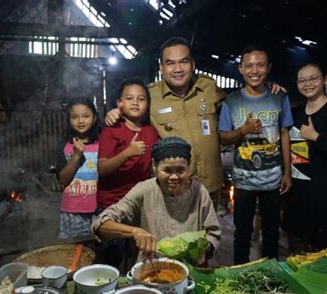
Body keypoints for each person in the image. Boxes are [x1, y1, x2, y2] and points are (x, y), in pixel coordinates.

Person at [105, 37, 286, 210]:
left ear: (193, 64)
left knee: (208, 238)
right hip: (174, 187)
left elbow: (239, 100)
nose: (178, 69)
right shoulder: (151, 96)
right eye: (170, 63)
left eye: (183, 62)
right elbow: (132, 111)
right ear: (161, 67)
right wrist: (117, 112)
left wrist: (264, 86)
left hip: (210, 185)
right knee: (177, 239)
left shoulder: (208, 87)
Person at [91, 137, 221, 266]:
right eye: (167, 170)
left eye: (181, 170)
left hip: (190, 267)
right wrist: (135, 232)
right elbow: (101, 223)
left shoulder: (199, 191)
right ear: (154, 166)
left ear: (189, 165)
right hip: (151, 266)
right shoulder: (144, 190)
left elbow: (213, 233)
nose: (174, 177)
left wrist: (203, 248)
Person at [218, 43, 293, 264]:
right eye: (249, 65)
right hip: (243, 180)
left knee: (272, 231)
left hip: (273, 180)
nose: (254, 70)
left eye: (260, 65)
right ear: (240, 69)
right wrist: (244, 130)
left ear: (268, 68)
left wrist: (287, 172)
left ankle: (270, 272)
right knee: (242, 232)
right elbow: (223, 137)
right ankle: (240, 272)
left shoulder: (280, 97)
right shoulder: (232, 101)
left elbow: (285, 134)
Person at [282, 61, 327, 252]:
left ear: (325, 79)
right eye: (302, 80)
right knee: (296, 243)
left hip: (324, 192)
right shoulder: (296, 112)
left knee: (322, 248)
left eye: (313, 78)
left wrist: (316, 137)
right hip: (297, 190)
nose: (307, 84)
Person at [97, 77, 159, 209]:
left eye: (141, 99)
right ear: (120, 103)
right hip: (113, 204)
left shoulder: (151, 132)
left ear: (148, 104)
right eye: (129, 98)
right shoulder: (111, 130)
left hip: (141, 202)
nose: (135, 103)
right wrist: (127, 153)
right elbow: (102, 169)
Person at [55, 97, 101, 239]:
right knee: (74, 253)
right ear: (69, 120)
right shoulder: (64, 145)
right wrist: (75, 157)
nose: (80, 121)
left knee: (102, 251)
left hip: (100, 209)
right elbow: (63, 180)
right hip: (73, 211)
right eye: (74, 117)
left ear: (94, 118)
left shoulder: (104, 141)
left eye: (86, 116)